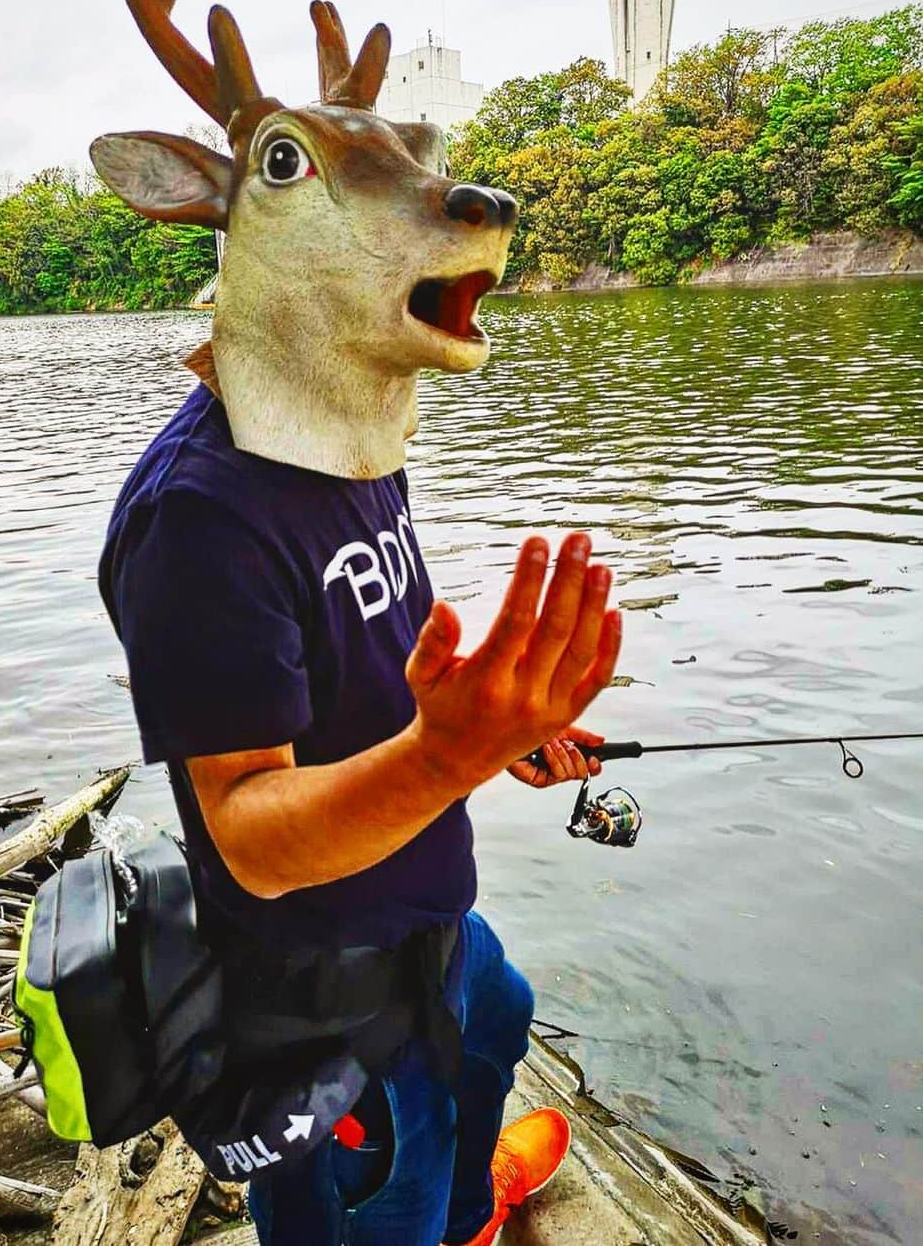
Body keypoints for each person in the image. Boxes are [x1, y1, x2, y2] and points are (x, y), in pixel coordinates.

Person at [99, 383, 621, 1244]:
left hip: (438, 929)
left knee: (500, 1022)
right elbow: (246, 834)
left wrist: (484, 736)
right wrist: (446, 757)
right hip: (325, 1010)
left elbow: (380, 699)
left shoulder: (358, 429)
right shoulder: (195, 518)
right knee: (382, 1193)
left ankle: (469, 1212)